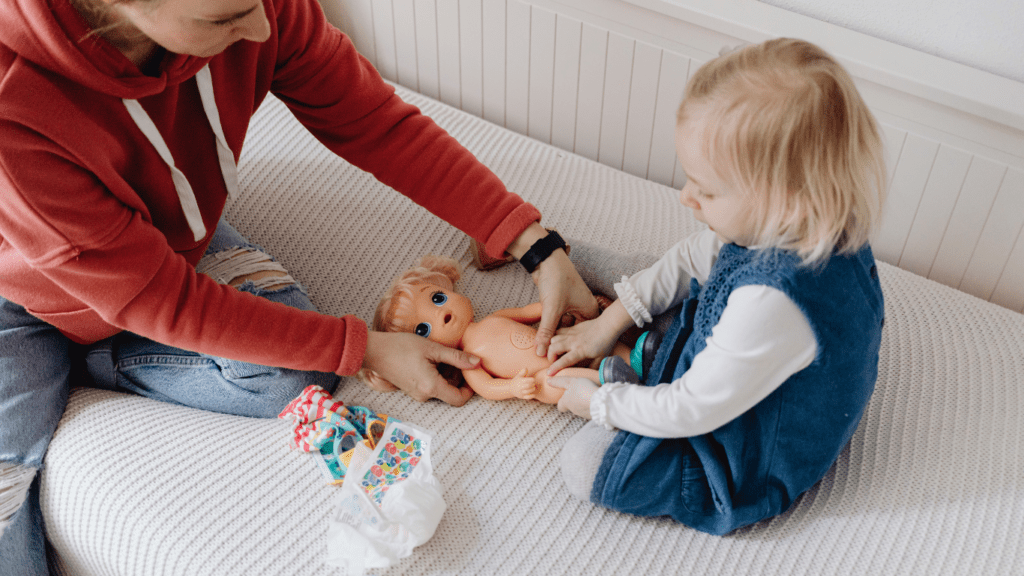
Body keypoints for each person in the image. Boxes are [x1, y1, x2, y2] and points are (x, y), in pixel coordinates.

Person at [0, 0, 598, 572]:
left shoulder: (264, 5)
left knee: (297, 373)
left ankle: (106, 350)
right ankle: (81, 353)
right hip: (20, 299)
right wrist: (364, 344)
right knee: (5, 505)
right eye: (227, 17)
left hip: (159, 247)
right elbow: (166, 302)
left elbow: (372, 120)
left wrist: (528, 241)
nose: (264, 26)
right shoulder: (14, 109)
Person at [544, 38, 888, 535]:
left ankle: (635, 379)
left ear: (785, 202)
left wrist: (598, 403)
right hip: (742, 357)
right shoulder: (808, 217)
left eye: (705, 189)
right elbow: (692, 257)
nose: (685, 196)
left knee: (586, 467)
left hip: (745, 450)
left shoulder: (774, 301)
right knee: (669, 270)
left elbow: (692, 408)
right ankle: (606, 297)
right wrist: (611, 321)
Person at [364, 255, 661, 405]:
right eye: (423, 329)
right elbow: (488, 388)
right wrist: (511, 388)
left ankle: (633, 356)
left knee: (584, 338)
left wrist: (557, 306)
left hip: (554, 346)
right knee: (554, 381)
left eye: (437, 298)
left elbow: (529, 312)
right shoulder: (469, 362)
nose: (441, 314)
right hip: (538, 377)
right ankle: (607, 381)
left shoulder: (495, 318)